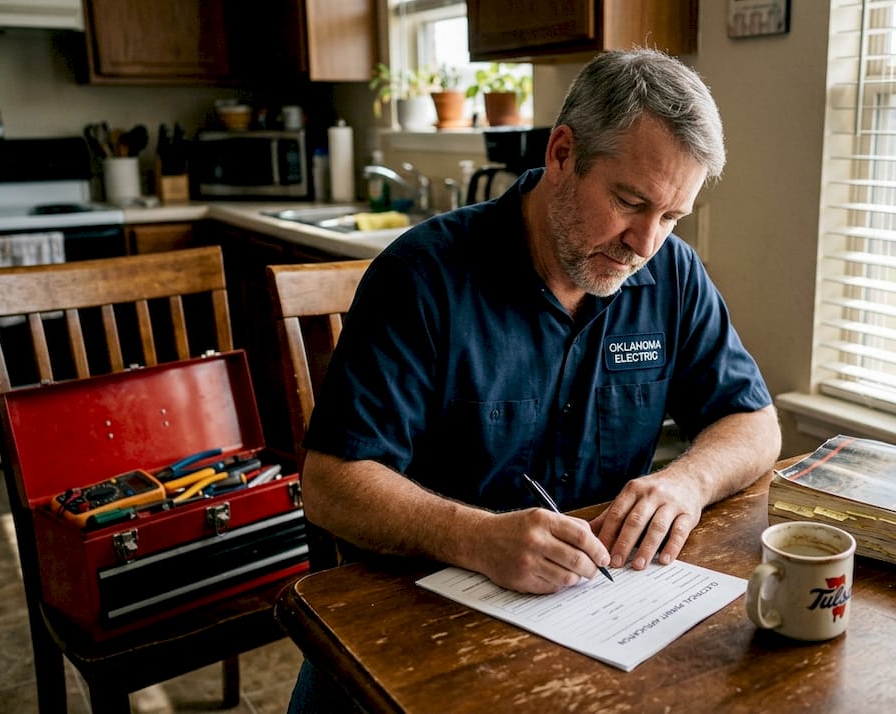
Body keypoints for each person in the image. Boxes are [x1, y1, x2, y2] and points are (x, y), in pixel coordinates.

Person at [288, 47, 781, 709]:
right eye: (630, 202)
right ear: (562, 153)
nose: (645, 244)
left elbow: (754, 422)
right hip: (413, 629)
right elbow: (330, 484)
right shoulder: (423, 277)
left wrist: (687, 481)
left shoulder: (673, 275)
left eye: (670, 218)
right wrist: (476, 537)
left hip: (593, 624)